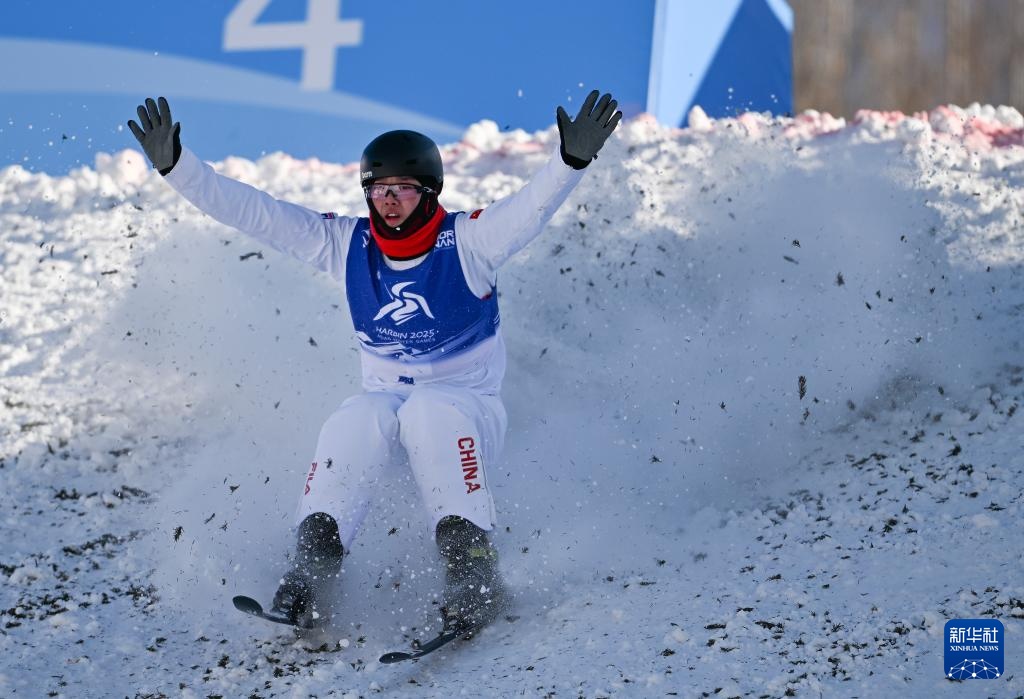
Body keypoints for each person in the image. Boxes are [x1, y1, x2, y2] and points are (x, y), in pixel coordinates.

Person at [128, 92, 621, 632]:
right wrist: (178, 168)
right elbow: (259, 214)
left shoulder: (470, 242)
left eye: (403, 189)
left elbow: (530, 209)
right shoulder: (347, 243)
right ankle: (311, 572)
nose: (388, 202)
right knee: (356, 416)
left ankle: (474, 574)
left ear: (429, 192)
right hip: (389, 419)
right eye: (378, 189)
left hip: (466, 415)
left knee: (430, 409)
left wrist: (570, 160)